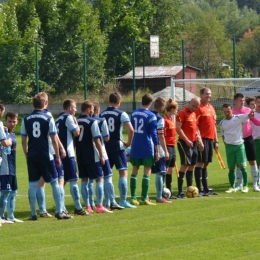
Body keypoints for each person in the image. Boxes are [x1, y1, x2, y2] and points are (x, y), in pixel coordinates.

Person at [20, 92, 71, 220]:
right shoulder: (48, 118)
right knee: (54, 182)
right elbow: (54, 139)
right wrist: (58, 156)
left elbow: (23, 141)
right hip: (46, 154)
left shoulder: (26, 119)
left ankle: (33, 214)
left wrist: (27, 155)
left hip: (32, 155)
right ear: (45, 103)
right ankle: (59, 211)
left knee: (32, 184)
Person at [75, 100, 112, 213]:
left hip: (80, 155)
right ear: (87, 109)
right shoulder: (92, 122)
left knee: (84, 180)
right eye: (91, 109)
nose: (93, 111)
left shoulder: (76, 121)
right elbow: (97, 140)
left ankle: (88, 206)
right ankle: (100, 205)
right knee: (99, 179)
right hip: (92, 155)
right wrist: (101, 155)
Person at [100, 92, 135, 208]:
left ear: (109, 101)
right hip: (117, 145)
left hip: (105, 146)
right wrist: (129, 143)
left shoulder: (102, 114)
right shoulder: (121, 113)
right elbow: (131, 130)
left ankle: (108, 201)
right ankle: (123, 200)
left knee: (107, 174)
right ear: (119, 102)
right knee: (123, 172)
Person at [55, 99, 88, 215]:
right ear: (69, 108)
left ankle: (61, 207)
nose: (76, 109)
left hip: (59, 153)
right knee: (74, 180)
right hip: (68, 154)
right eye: (74, 107)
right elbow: (76, 133)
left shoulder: (57, 119)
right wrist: (76, 122)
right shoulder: (68, 118)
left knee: (61, 182)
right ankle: (78, 208)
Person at [92, 102, 124, 210]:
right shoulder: (101, 120)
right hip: (101, 151)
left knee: (90, 180)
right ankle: (110, 202)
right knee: (107, 176)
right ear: (97, 110)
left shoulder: (81, 122)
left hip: (87, 153)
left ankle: (90, 204)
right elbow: (106, 138)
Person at [130, 94, 160, 205]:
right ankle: (144, 198)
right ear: (150, 103)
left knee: (134, 170)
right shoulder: (151, 115)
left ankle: (133, 198)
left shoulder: (133, 113)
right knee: (147, 170)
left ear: (141, 101)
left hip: (135, 146)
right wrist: (157, 149)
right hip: (147, 146)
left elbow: (130, 129)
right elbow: (154, 134)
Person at [220, 104, 254, 193]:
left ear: (232, 110)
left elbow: (249, 115)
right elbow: (223, 135)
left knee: (242, 166)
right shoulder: (222, 122)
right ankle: (232, 187)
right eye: (225, 112)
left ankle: (245, 186)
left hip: (239, 145)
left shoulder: (239, 118)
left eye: (228, 111)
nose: (226, 113)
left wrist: (252, 110)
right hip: (229, 147)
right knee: (231, 168)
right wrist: (226, 144)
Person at [233, 93, 260, 192]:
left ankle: (255, 185)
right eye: (240, 100)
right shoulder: (232, 112)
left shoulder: (248, 110)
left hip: (249, 138)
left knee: (253, 161)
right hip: (238, 139)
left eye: (243, 101)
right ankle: (240, 185)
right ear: (235, 101)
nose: (242, 102)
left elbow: (256, 121)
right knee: (239, 163)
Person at [176, 97, 202, 198]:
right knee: (185, 165)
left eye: (196, 106)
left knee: (192, 166)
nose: (194, 108)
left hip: (193, 143)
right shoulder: (182, 113)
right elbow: (178, 128)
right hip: (184, 143)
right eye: (193, 105)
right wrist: (187, 140)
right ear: (188, 103)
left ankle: (190, 190)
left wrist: (198, 137)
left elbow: (195, 128)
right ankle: (179, 192)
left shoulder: (194, 114)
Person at [194, 88, 219, 196]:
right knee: (200, 162)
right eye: (206, 94)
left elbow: (213, 126)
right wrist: (199, 140)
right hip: (202, 139)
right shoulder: (198, 108)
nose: (209, 96)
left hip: (210, 139)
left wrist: (216, 141)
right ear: (201, 95)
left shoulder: (211, 107)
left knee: (206, 163)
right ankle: (199, 189)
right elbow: (195, 125)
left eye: (210, 94)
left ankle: (206, 188)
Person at [0, 109, 20, 224]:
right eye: (10, 121)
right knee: (5, 193)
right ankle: (1, 216)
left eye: (14, 121)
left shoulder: (12, 134)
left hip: (12, 168)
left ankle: (11, 216)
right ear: (5, 121)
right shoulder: (3, 133)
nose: (12, 123)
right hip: (4, 168)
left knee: (13, 192)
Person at [151, 97, 171, 203]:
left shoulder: (148, 115)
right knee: (160, 172)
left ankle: (145, 196)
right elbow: (161, 136)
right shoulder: (159, 118)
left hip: (146, 146)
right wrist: (165, 150)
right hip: (157, 147)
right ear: (162, 107)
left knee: (146, 171)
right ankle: (159, 197)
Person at [163, 98, 178, 199]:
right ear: (172, 109)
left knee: (170, 170)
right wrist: (165, 150)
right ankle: (162, 192)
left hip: (173, 146)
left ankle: (169, 192)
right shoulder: (164, 120)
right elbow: (162, 135)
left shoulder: (171, 119)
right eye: (176, 109)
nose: (177, 111)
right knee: (165, 169)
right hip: (167, 146)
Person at [250, 96, 260, 185]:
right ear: (255, 103)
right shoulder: (252, 114)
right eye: (258, 102)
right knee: (256, 162)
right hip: (255, 141)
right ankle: (256, 180)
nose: (259, 104)